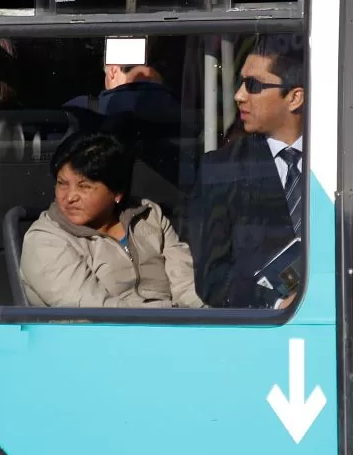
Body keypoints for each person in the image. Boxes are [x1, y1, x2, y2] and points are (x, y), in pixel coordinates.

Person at [184, 34, 305, 309]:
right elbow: (212, 280)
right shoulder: (221, 169)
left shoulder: (342, 161)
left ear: (295, 97)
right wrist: (276, 303)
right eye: (240, 83)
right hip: (266, 325)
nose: (239, 95)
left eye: (253, 85)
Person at [19, 131, 203, 308]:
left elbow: (186, 285)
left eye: (84, 187)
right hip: (113, 328)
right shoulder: (44, 241)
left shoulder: (148, 216)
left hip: (173, 323)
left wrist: (207, 313)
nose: (69, 197)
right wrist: (170, 315)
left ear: (117, 193)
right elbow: (93, 312)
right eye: (62, 184)